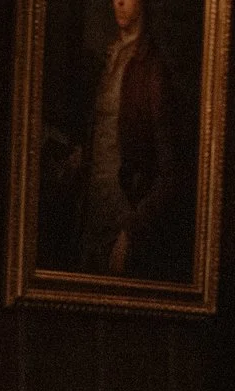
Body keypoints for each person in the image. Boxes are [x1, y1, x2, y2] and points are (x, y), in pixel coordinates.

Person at [49, 0, 186, 279]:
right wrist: (80, 157)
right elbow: (105, 133)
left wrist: (131, 232)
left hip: (123, 215)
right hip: (91, 211)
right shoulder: (109, 57)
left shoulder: (152, 70)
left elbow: (171, 174)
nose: (119, 2)